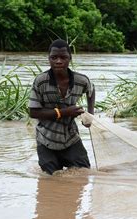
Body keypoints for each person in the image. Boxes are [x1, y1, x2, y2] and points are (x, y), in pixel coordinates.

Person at [29, 39, 95, 174]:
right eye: (54, 57)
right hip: (46, 138)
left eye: (63, 57)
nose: (58, 61)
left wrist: (89, 115)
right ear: (49, 59)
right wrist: (64, 112)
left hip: (70, 137)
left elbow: (91, 91)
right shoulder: (41, 81)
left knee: (83, 172)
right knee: (52, 178)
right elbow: (33, 112)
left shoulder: (81, 80)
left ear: (69, 59)